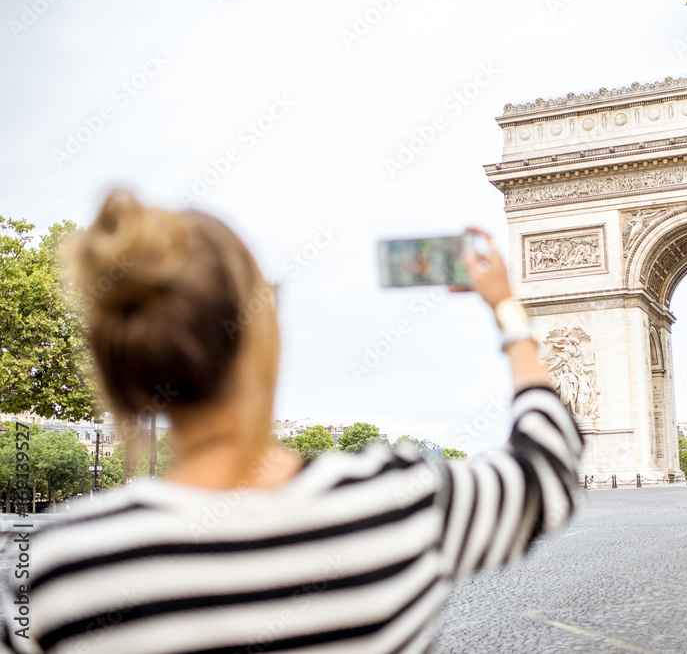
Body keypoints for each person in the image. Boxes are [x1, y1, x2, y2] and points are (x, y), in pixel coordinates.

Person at [0, 190, 582, 654]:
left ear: (120, 370)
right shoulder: (397, 501)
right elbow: (548, 469)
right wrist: (508, 307)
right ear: (260, 331)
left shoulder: (51, 571)